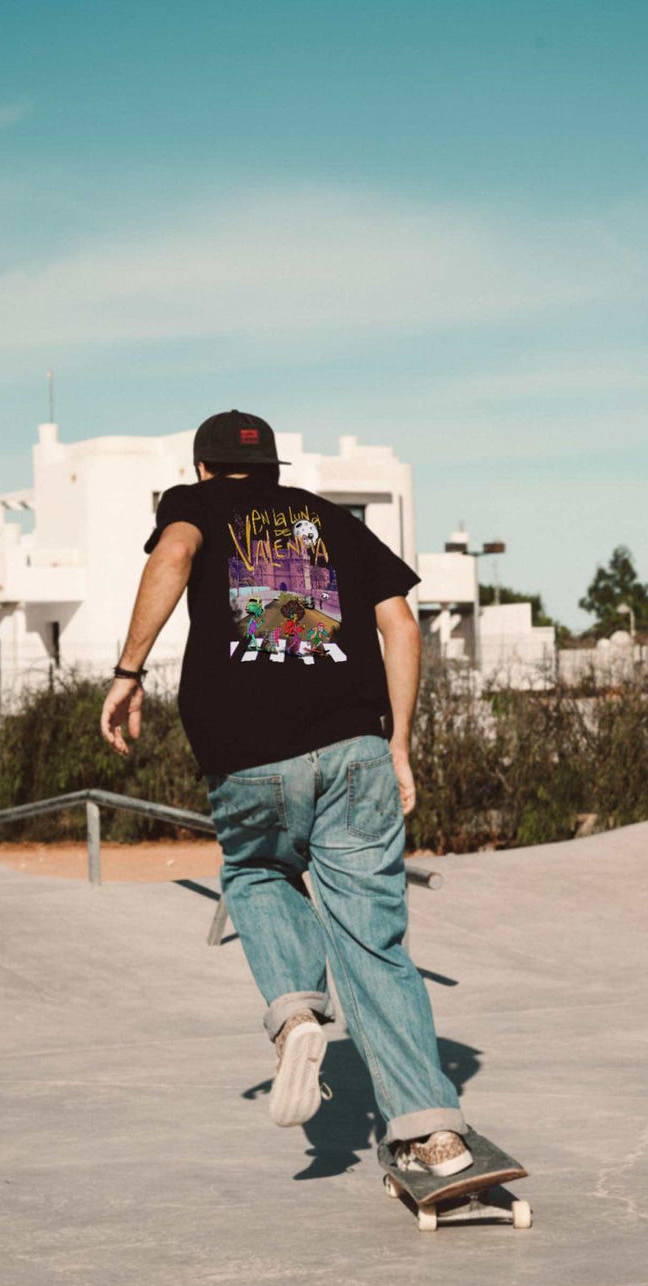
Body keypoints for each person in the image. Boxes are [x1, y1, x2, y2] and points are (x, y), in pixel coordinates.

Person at [100, 410, 471, 1176]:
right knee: (375, 943)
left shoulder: (195, 505)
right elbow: (402, 626)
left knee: (257, 870)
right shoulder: (332, 520)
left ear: (203, 469)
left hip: (249, 751)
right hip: (357, 749)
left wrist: (129, 670)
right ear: (274, 469)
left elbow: (174, 553)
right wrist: (399, 742)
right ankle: (434, 1130)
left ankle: (297, 1008)